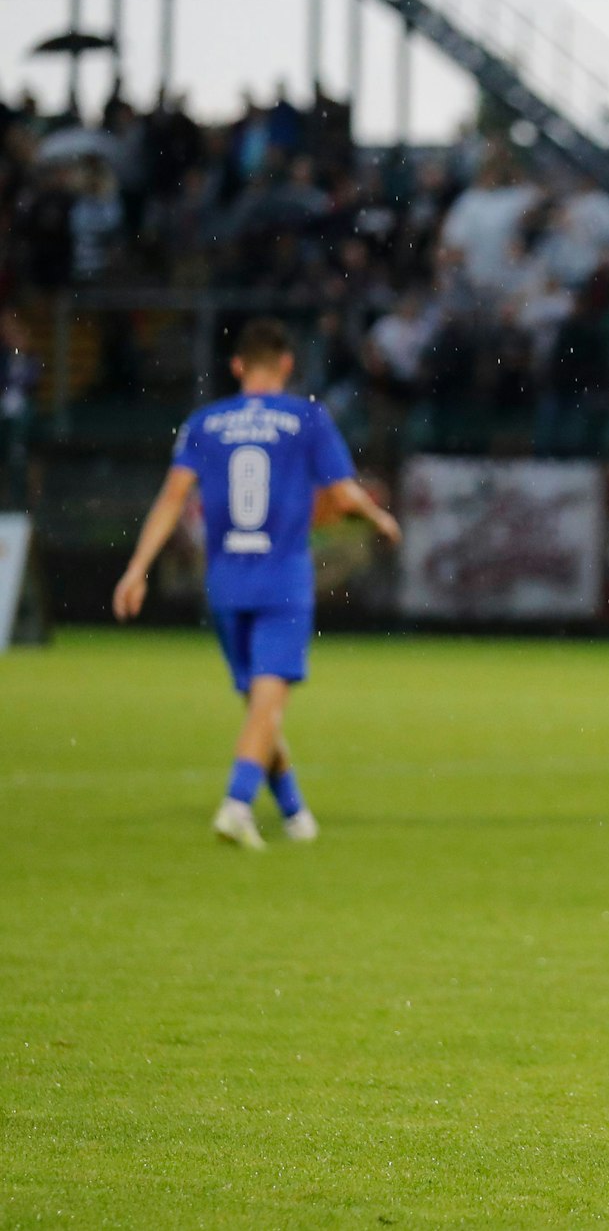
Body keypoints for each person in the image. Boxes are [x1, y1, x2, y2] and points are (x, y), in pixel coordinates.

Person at [112, 318, 400, 849]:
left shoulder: (205, 422)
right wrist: (377, 519)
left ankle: (294, 812)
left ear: (238, 366)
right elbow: (341, 497)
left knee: (258, 706)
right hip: (281, 578)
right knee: (268, 704)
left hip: (224, 580)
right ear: (287, 365)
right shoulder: (306, 418)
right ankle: (236, 804)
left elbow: (172, 499)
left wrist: (137, 568)